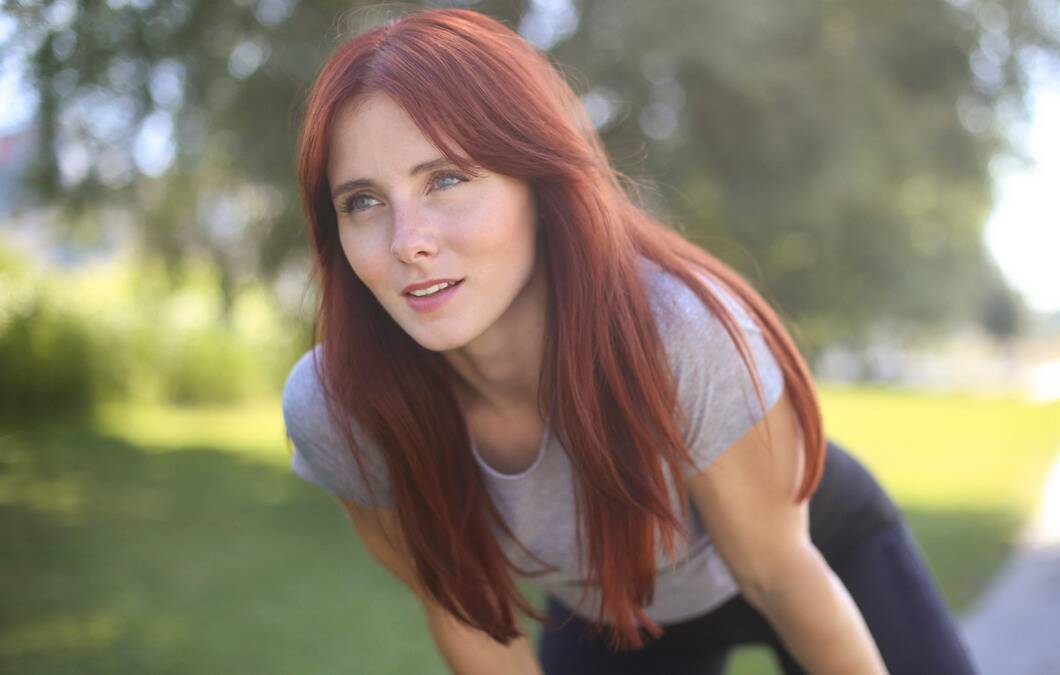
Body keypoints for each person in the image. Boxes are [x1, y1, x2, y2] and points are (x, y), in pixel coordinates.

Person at [281, 8, 979, 675]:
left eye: (447, 178)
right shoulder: (339, 406)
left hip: (807, 553)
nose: (408, 243)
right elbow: (465, 613)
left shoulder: (682, 333)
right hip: (614, 599)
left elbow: (779, 576)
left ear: (538, 181)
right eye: (363, 201)